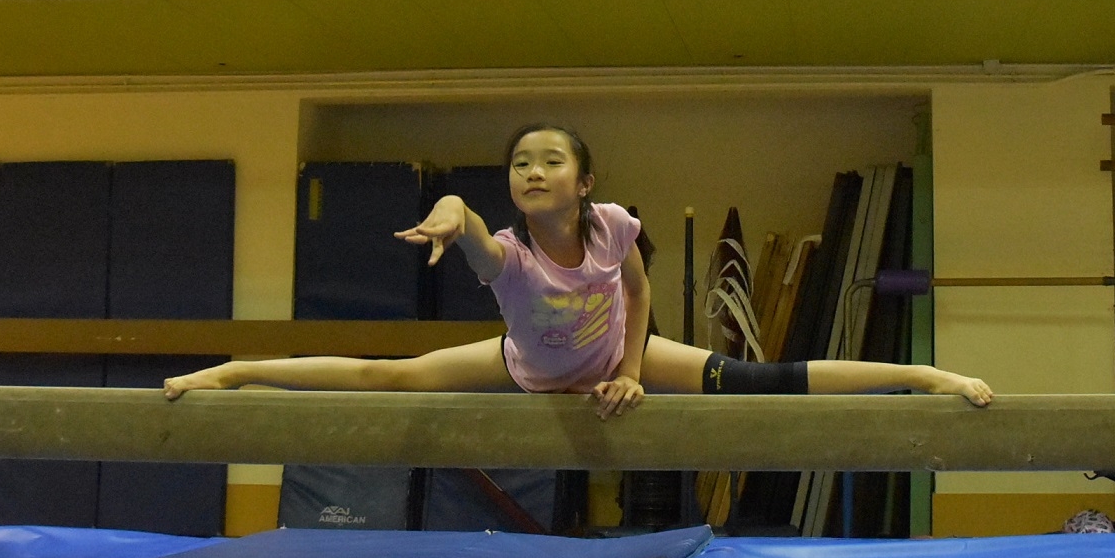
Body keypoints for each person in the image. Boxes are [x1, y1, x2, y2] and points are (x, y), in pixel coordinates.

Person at [165, 123, 993, 417]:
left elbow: (634, 288)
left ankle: (920, 376)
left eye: (550, 161)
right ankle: (237, 372)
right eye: (519, 163)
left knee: (758, 380)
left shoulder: (614, 226)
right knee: (390, 378)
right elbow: (474, 231)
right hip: (526, 367)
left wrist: (628, 372)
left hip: (613, 355)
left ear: (584, 181)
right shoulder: (511, 261)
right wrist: (451, 210)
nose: (531, 171)